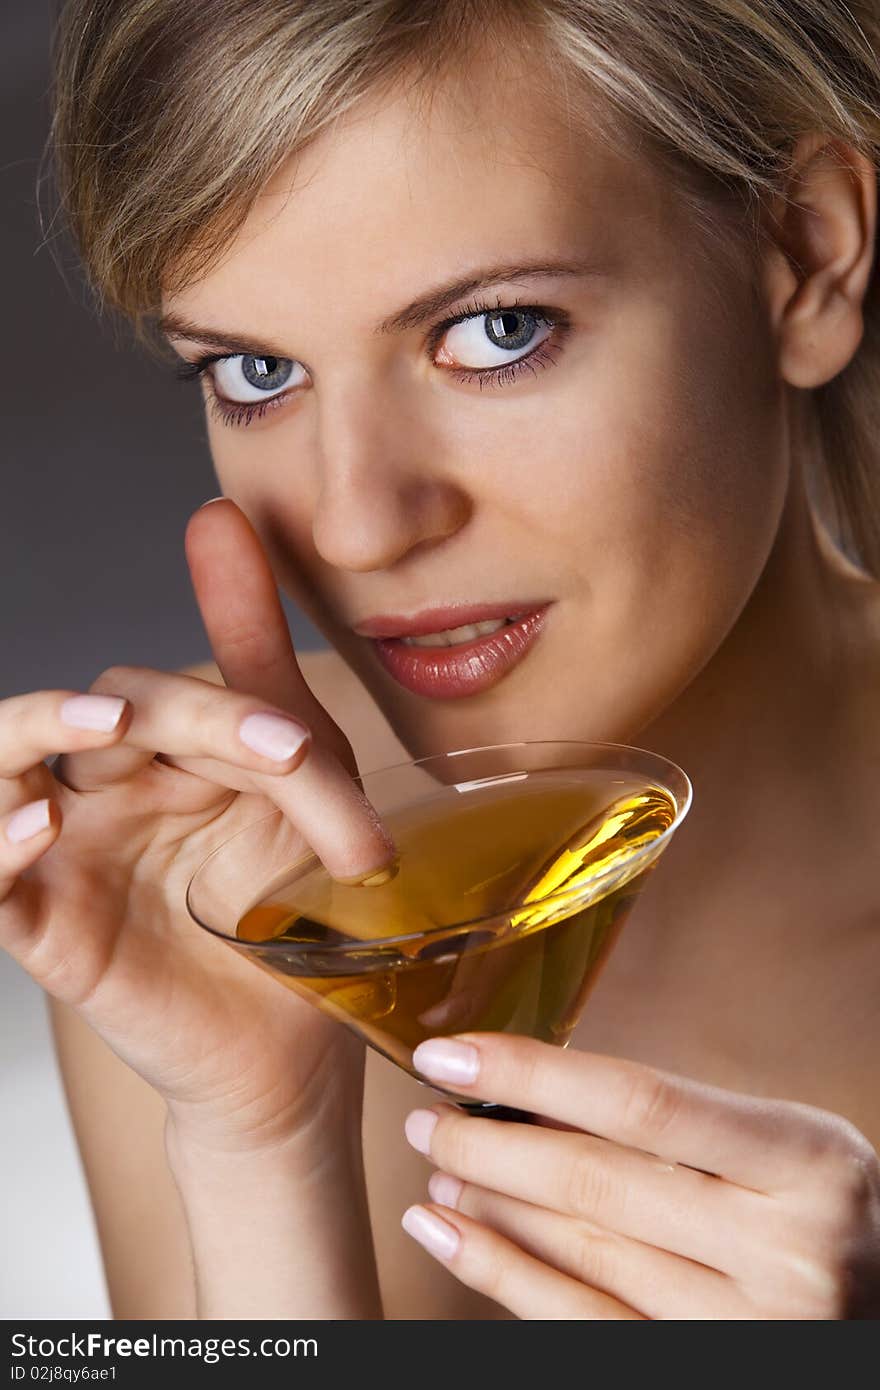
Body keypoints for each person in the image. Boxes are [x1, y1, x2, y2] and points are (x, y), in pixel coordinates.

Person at [5, 0, 880, 1319]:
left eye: (497, 332)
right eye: (255, 369)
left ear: (808, 259)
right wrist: (261, 1144)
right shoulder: (210, 876)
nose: (355, 523)